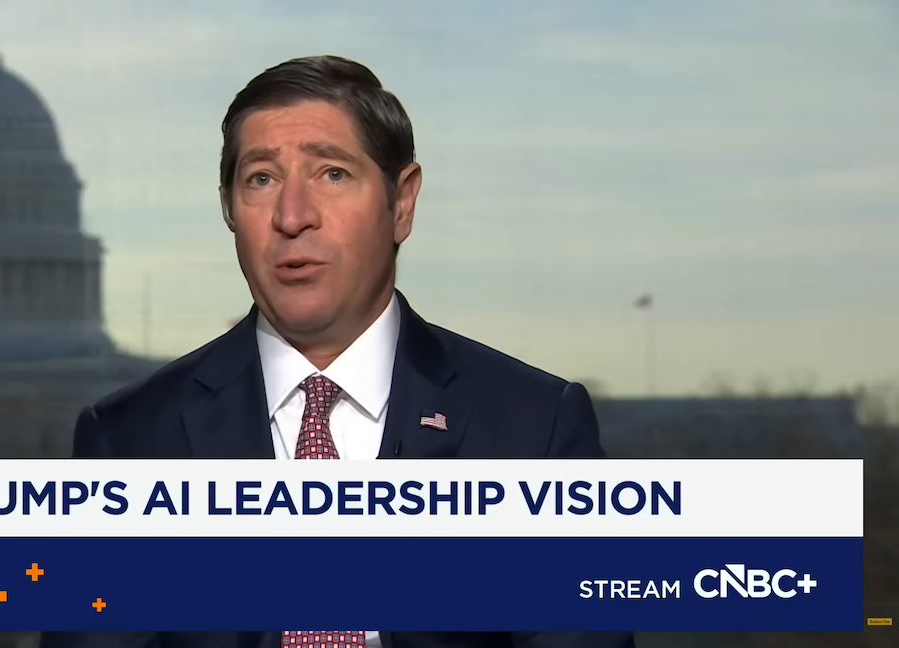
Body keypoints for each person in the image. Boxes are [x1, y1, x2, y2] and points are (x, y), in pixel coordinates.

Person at [41, 55, 634, 648]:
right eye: (261, 179)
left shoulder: (534, 430)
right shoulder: (129, 442)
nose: (292, 217)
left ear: (402, 202)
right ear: (228, 209)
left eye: (332, 174)